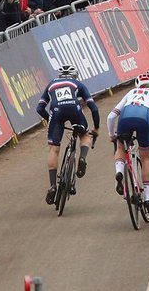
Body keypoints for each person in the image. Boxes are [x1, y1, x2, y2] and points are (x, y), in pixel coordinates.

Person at [36, 64, 100, 205]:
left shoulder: (51, 84)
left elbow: (40, 108)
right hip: (74, 109)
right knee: (84, 135)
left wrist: (51, 120)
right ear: (75, 76)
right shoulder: (77, 84)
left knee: (54, 149)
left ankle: (53, 185)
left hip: (56, 112)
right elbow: (93, 108)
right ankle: (82, 158)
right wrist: (96, 128)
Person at [106, 72, 149, 214]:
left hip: (126, 115)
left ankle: (119, 172)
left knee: (121, 146)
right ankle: (148, 199)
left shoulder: (131, 92)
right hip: (145, 117)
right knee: (146, 157)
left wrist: (112, 135)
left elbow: (111, 116)